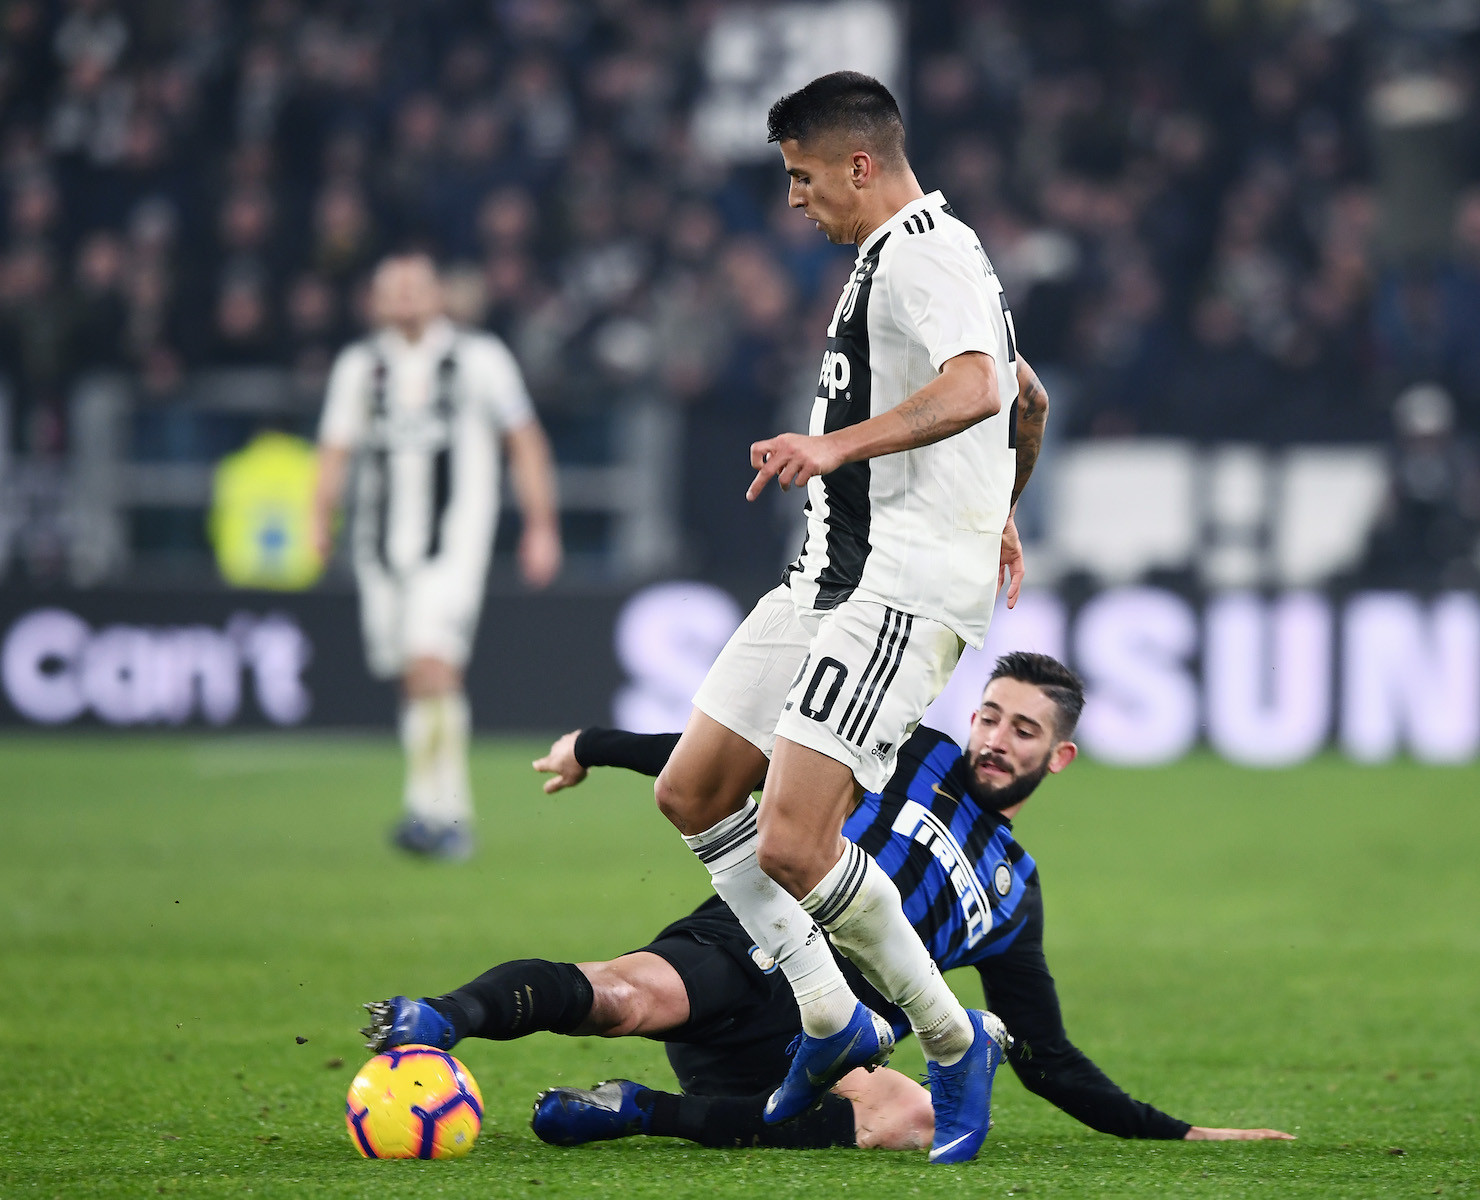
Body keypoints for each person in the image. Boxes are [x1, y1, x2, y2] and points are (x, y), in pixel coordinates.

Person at [360, 654, 1294, 1152]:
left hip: (825, 1043)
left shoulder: (1014, 891)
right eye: (990, 716)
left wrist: (1178, 1131)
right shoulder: (905, 748)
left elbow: (1045, 1057)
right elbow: (738, 764)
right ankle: (437, 1018)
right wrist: (596, 746)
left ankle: (638, 1112)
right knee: (624, 997)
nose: (997, 739)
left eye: (1024, 730)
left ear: (1060, 757)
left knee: (913, 1119)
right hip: (757, 942)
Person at [642, 71, 1038, 1164]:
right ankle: (830, 1014)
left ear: (859, 165)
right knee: (693, 790)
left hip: (896, 590)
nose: (794, 199)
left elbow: (982, 387)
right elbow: (1030, 396)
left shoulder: (926, 254)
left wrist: (834, 446)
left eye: (802, 176)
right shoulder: (898, 254)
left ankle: (953, 1040)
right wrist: (1003, 505)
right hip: (825, 579)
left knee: (793, 841)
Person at [313, 252, 561, 860]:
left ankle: (445, 815)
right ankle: (431, 809)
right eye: (391, 286)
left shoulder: (479, 358)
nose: (404, 295)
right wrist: (319, 519)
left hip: (452, 546)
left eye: (415, 285)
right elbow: (335, 449)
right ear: (374, 300)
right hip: (379, 549)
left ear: (437, 294)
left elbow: (524, 439)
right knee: (413, 676)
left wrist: (541, 526)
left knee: (432, 664)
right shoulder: (359, 366)